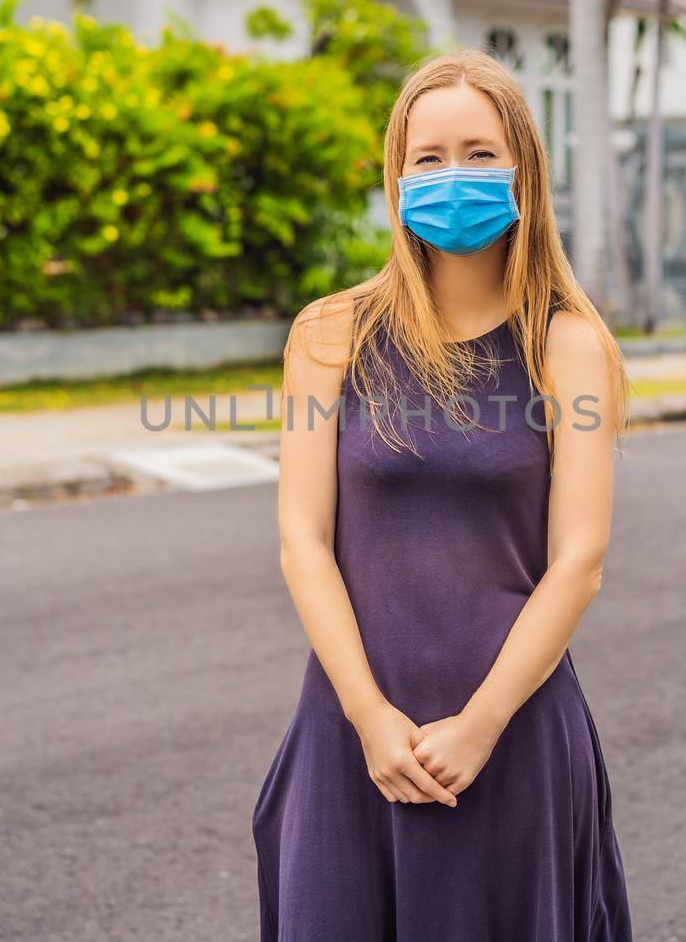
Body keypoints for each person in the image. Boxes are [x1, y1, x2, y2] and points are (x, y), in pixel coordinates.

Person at [252, 48, 634, 940]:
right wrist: (369, 716)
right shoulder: (329, 333)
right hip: (352, 737)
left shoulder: (567, 346)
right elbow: (302, 540)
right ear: (395, 177)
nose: (451, 176)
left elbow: (578, 563)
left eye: (477, 152)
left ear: (524, 174)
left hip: (511, 742)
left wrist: (480, 725)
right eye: (427, 158)